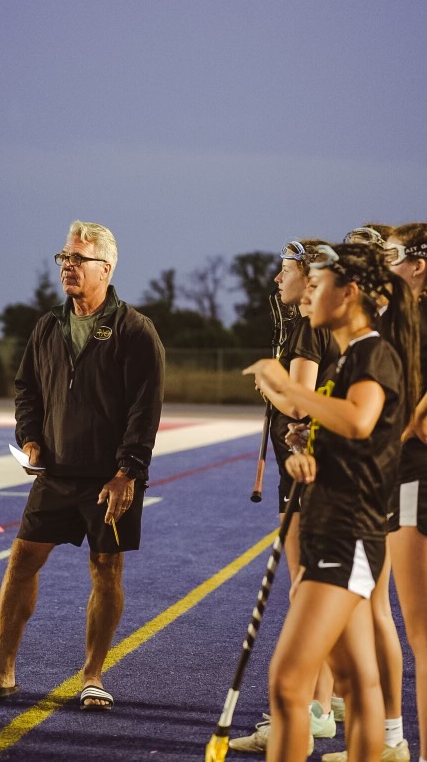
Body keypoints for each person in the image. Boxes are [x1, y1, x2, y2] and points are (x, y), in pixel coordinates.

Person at [0, 220, 165, 710]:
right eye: (64, 258)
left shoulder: (135, 330)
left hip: (111, 477)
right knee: (22, 560)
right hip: (56, 474)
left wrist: (127, 472)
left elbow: (145, 408)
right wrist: (29, 439)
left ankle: (92, 675)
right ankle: (0, 670)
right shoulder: (48, 325)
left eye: (78, 259)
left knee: (105, 568)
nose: (68, 266)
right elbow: (26, 388)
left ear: (106, 269)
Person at [243, 242, 419, 762]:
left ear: (350, 293)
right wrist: (308, 455)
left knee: (289, 684)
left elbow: (360, 420)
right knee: (355, 680)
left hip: (347, 534)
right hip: (337, 525)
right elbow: (354, 440)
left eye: (319, 284)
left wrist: (287, 390)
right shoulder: (347, 359)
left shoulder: (372, 353)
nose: (310, 293)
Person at [229, 239, 340, 755]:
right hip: (307, 468)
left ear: (308, 274)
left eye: (284, 270)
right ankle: (321, 704)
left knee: (305, 593)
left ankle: (307, 710)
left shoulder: (305, 327)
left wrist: (270, 383)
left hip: (307, 471)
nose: (277, 279)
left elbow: (298, 406)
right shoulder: (314, 324)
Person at [385, 224, 427, 762]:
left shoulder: (415, 320)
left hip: (415, 479)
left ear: (418, 264)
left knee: (423, 634)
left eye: (391, 257)